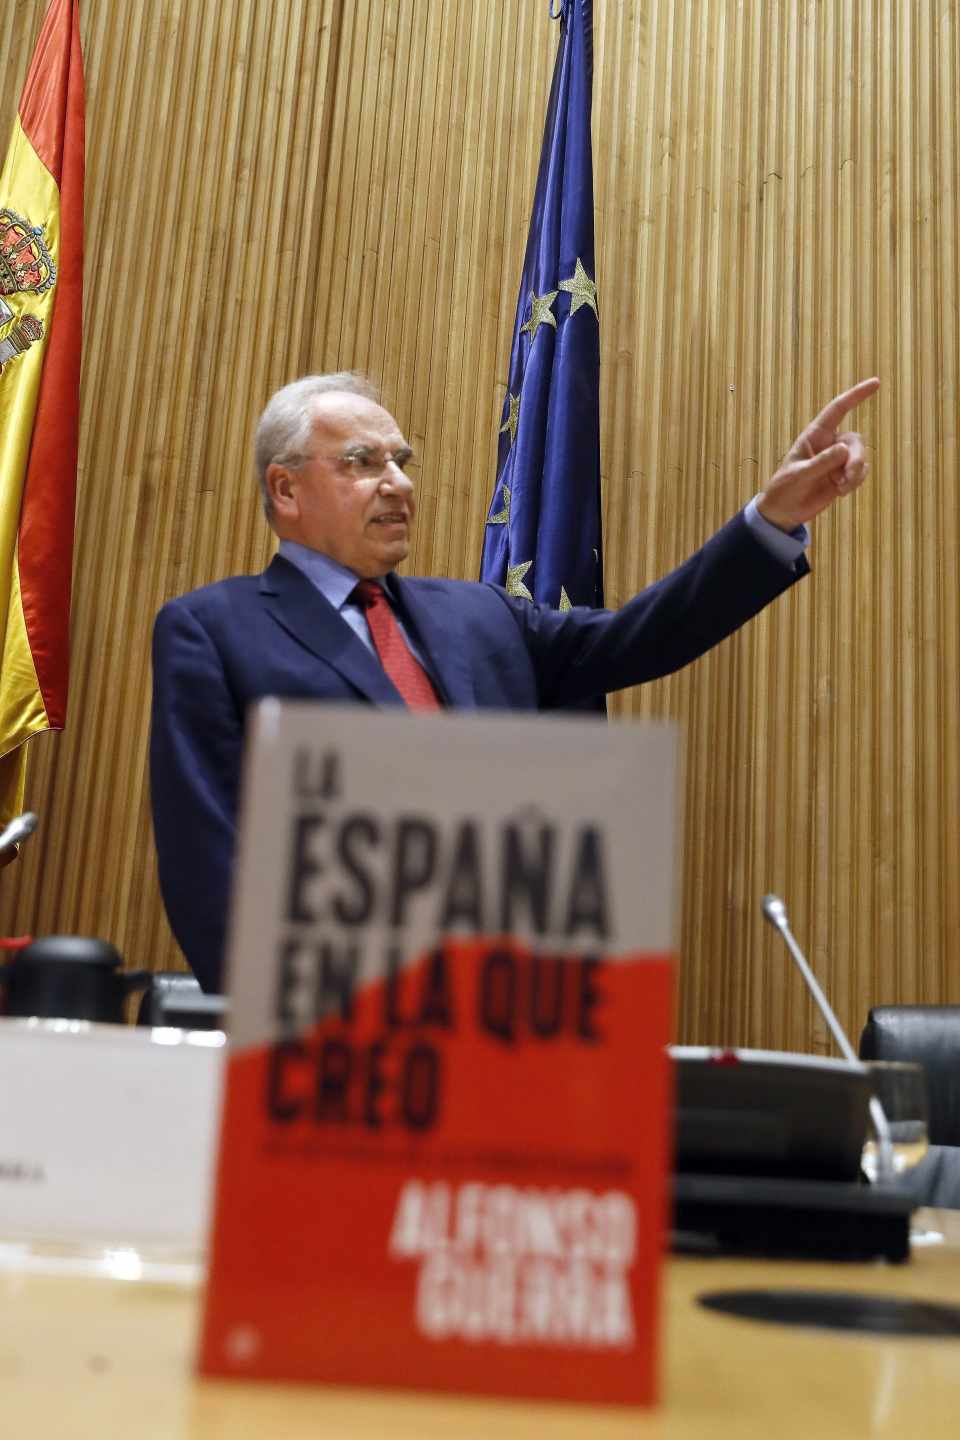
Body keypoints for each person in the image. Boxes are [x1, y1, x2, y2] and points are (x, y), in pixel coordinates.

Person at [150, 371, 879, 991]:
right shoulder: (213, 631)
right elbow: (209, 867)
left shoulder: (480, 615)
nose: (399, 483)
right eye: (363, 462)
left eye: (402, 460)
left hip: (510, 1016)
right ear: (285, 490)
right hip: (335, 1043)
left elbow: (641, 637)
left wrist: (772, 519)